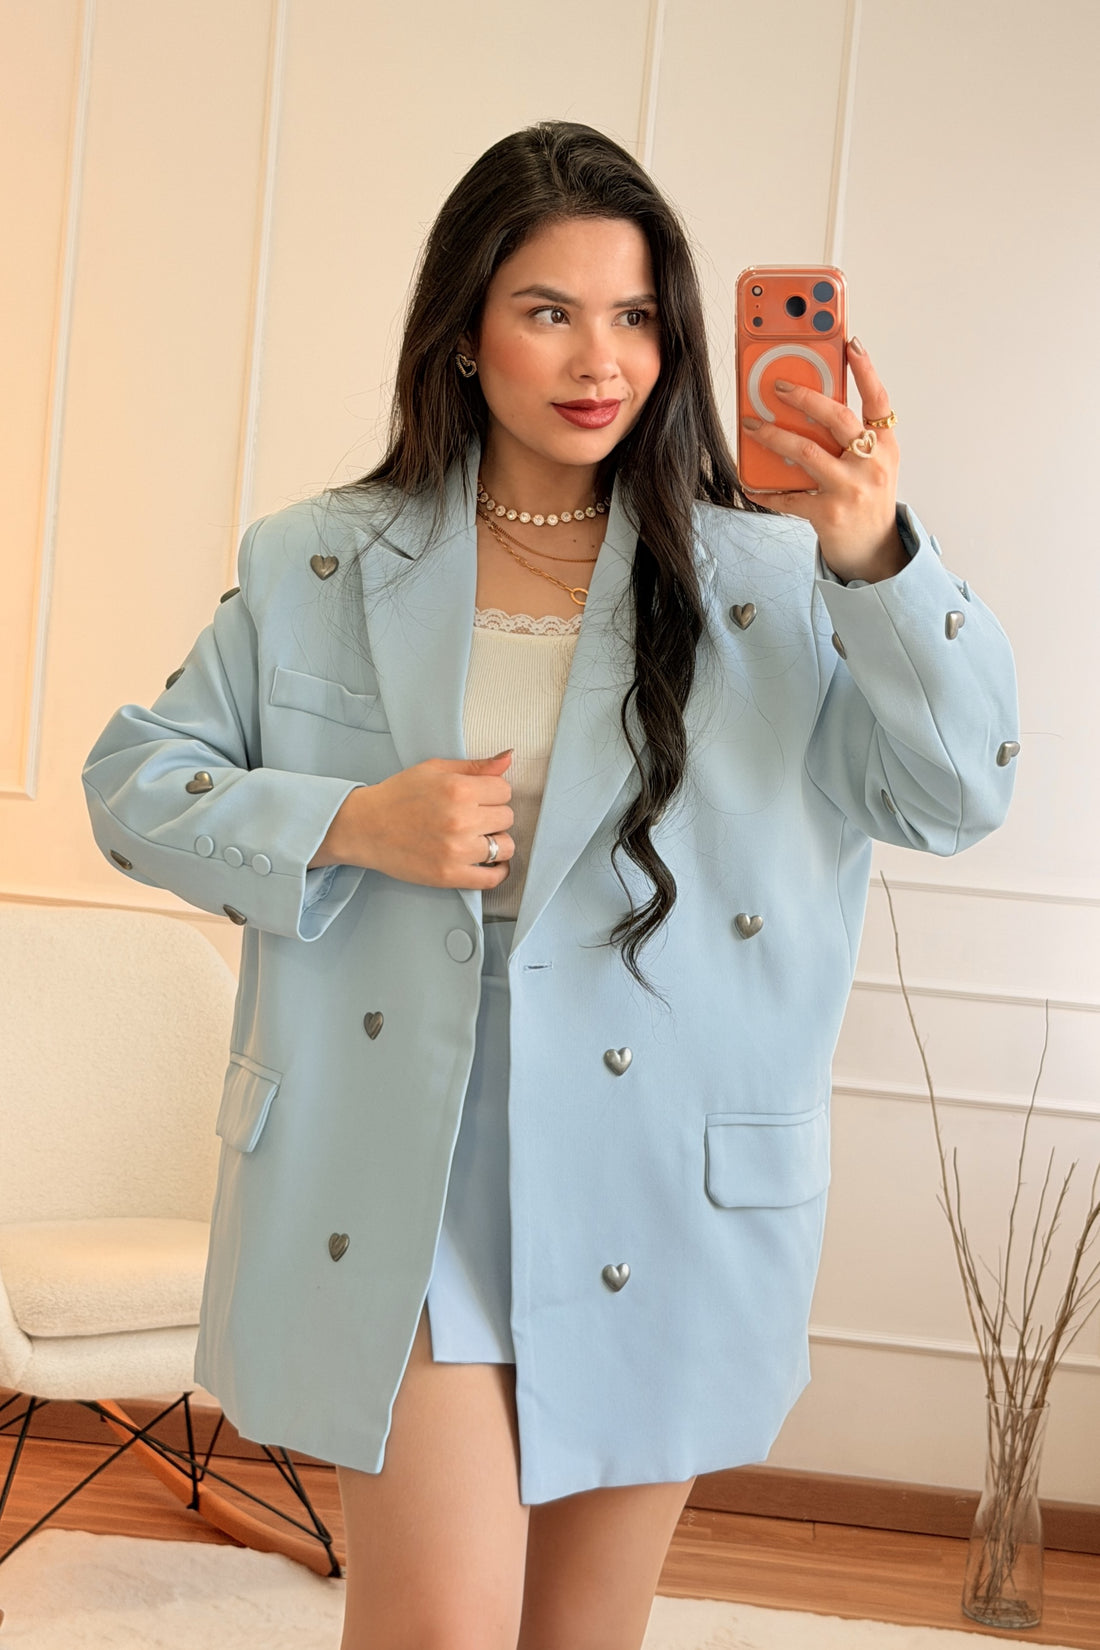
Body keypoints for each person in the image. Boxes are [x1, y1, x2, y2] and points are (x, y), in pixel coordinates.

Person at [82, 120, 1019, 1650]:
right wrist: (350, 821)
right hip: (405, 1156)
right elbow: (134, 786)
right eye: (549, 310)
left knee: (582, 1635)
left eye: (636, 314)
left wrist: (875, 553)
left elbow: (959, 788)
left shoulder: (769, 576)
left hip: (658, 1164)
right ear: (464, 332)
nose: (601, 358)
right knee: (438, 1628)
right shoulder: (321, 561)